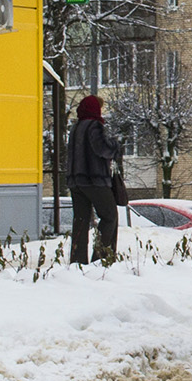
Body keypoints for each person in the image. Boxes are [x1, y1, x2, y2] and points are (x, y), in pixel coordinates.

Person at [67, 95, 120, 265]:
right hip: (94, 180)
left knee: (80, 221)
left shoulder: (75, 128)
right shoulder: (94, 126)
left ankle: (77, 261)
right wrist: (114, 145)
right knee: (110, 216)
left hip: (76, 182)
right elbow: (102, 148)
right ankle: (101, 257)